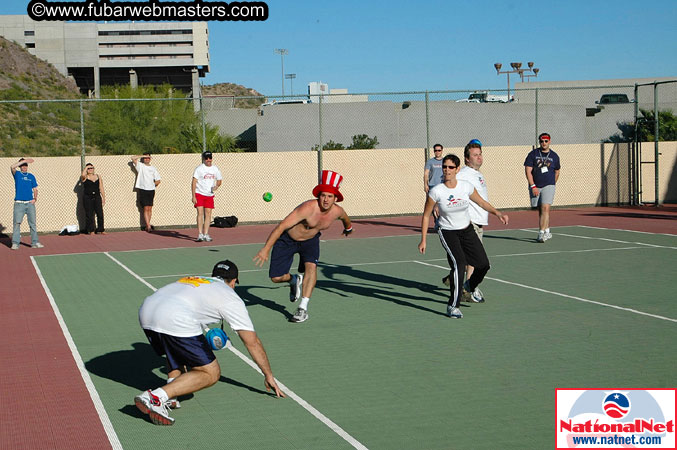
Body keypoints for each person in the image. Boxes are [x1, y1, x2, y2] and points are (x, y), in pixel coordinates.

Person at [135, 259, 285, 426]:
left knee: (175, 346)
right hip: (174, 316)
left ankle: (171, 395)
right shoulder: (231, 298)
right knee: (210, 373)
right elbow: (252, 342)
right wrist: (268, 375)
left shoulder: (196, 280)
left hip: (147, 310)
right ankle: (155, 397)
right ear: (234, 281)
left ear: (214, 275)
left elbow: (179, 345)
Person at [253, 170, 352, 324]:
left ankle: (302, 308)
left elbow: (346, 219)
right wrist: (265, 249)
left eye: (330, 196)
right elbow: (281, 227)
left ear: (335, 198)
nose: (325, 200)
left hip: (310, 241)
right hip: (288, 240)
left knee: (311, 268)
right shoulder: (307, 208)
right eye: (323, 195)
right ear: (318, 195)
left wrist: (348, 228)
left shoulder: (337, 212)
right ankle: (293, 280)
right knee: (276, 277)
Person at [418, 154, 508, 319]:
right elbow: (426, 215)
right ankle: (453, 306)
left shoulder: (465, 187)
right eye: (445, 167)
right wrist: (423, 239)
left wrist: (497, 213)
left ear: (457, 169)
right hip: (447, 232)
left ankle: (469, 285)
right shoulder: (436, 191)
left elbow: (481, 202)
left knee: (483, 264)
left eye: (451, 167)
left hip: (466, 230)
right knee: (459, 264)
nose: (447, 170)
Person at [450, 139, 489, 303]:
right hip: (470, 222)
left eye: (480, 154)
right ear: (467, 158)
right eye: (475, 155)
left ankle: (454, 280)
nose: (479, 157)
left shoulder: (477, 174)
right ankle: (470, 288)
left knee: (471, 260)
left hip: (479, 222)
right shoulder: (464, 173)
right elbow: (450, 184)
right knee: (476, 260)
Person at [524, 132, 561, 243]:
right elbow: (528, 171)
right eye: (541, 141)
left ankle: (541, 233)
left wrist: (552, 183)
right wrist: (533, 186)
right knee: (540, 209)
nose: (544, 143)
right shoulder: (533, 154)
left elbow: (557, 171)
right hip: (536, 185)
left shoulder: (554, 156)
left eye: (546, 141)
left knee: (546, 208)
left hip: (549, 185)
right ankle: (547, 230)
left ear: (549, 141)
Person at [10, 158, 43, 250]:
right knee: (17, 223)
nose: (24, 167)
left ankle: (35, 242)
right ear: (20, 166)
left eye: (25, 165)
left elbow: (35, 189)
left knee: (32, 224)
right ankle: (15, 243)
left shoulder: (31, 176)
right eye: (22, 165)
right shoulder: (17, 174)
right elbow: (12, 167)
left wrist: (35, 198)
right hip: (19, 204)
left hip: (30, 204)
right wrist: (24, 161)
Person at [191, 151, 222, 242]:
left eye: (210, 158)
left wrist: (216, 186)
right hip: (199, 193)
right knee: (200, 213)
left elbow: (219, 180)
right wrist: (193, 196)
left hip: (209, 195)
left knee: (208, 214)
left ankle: (206, 234)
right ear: (203, 159)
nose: (208, 160)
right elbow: (194, 182)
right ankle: (200, 234)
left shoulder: (215, 169)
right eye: (206, 158)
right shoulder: (199, 169)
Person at [131, 153, 161, 232]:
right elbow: (133, 158)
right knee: (145, 208)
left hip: (151, 190)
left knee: (150, 208)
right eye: (145, 158)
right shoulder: (140, 166)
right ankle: (148, 225)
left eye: (148, 158)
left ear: (150, 159)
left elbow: (158, 180)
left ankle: (148, 224)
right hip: (143, 189)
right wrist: (142, 156)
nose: (147, 159)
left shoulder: (153, 168)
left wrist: (153, 184)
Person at [80, 163, 106, 235]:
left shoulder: (98, 176)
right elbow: (82, 175)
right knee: (89, 214)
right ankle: (91, 230)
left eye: (92, 168)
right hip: (88, 197)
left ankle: (101, 229)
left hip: (97, 196)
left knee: (100, 213)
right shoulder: (85, 177)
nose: (90, 169)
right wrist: (86, 168)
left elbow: (101, 187)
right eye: (89, 168)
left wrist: (103, 198)